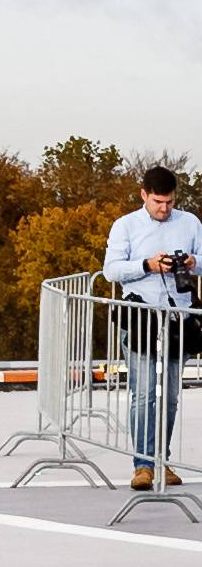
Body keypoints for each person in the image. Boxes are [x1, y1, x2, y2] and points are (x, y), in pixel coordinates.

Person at [103, 168, 202, 488]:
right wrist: (147, 265)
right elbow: (111, 271)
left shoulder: (190, 223)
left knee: (170, 396)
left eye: (170, 202)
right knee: (144, 394)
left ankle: (163, 460)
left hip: (178, 319)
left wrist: (191, 263)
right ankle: (143, 464)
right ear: (144, 194)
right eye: (158, 201)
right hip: (141, 318)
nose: (164, 208)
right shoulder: (125, 225)